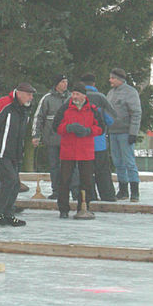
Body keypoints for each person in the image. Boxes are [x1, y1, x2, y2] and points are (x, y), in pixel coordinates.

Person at [0, 82, 35, 227]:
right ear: (19, 93)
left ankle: (8, 214)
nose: (31, 98)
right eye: (28, 95)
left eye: (32, 95)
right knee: (9, 180)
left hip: (14, 153)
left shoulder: (24, 109)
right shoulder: (5, 104)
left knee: (15, 184)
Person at [52, 82, 104, 218]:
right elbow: (56, 126)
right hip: (68, 151)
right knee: (64, 181)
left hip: (86, 151)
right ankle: (63, 209)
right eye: (73, 94)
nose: (74, 96)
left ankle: (84, 206)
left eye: (77, 94)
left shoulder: (93, 110)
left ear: (83, 96)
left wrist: (88, 131)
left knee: (86, 181)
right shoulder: (64, 109)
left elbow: (101, 128)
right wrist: (67, 128)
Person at [31, 74, 71, 199]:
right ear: (57, 84)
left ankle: (69, 189)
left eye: (66, 82)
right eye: (62, 82)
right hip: (52, 139)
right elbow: (39, 117)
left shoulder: (71, 98)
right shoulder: (47, 99)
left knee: (68, 166)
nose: (65, 84)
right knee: (54, 166)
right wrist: (36, 135)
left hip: (68, 140)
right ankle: (56, 190)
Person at [80, 73, 117, 202]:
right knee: (102, 171)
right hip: (99, 141)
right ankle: (108, 196)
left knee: (86, 171)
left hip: (82, 143)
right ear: (94, 84)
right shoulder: (101, 98)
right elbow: (111, 118)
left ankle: (89, 196)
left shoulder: (76, 97)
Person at [106, 68, 142, 202]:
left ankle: (134, 191)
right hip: (113, 132)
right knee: (118, 162)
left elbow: (136, 113)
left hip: (125, 132)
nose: (110, 80)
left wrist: (133, 132)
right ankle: (123, 189)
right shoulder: (111, 93)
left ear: (119, 79)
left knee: (129, 162)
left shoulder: (130, 93)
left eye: (112, 78)